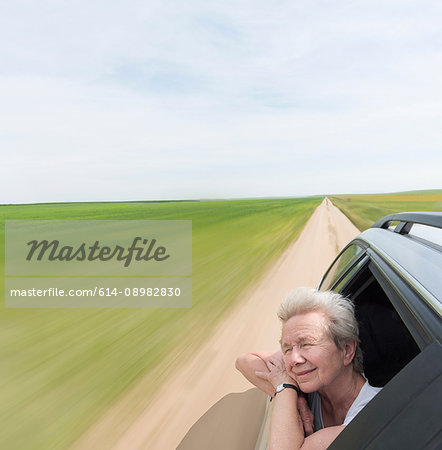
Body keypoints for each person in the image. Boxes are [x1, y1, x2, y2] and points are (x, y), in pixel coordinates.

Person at [235, 287, 381, 449]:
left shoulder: (372, 414)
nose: (293, 359)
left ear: (346, 350)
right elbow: (244, 360)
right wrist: (296, 398)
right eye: (287, 349)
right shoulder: (311, 377)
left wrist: (284, 387)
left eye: (306, 344)